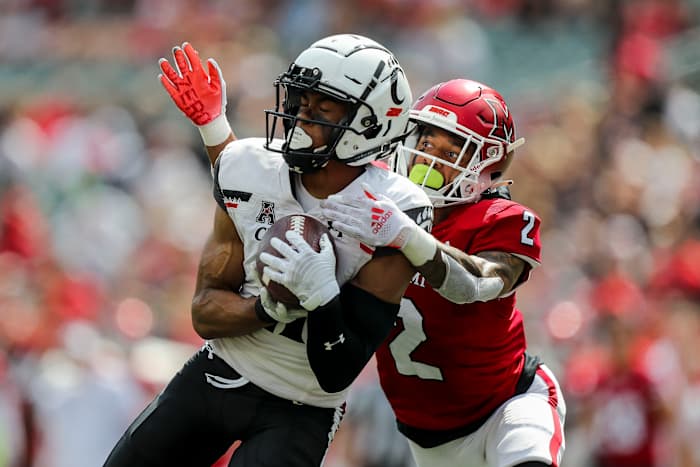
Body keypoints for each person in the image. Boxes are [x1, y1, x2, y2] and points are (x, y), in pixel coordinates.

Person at [103, 34, 433, 467]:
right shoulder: (248, 168)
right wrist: (268, 309)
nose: (299, 118)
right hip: (219, 371)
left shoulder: (395, 212)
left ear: (369, 124)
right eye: (299, 102)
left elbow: (339, 368)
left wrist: (321, 296)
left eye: (321, 109)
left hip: (302, 405)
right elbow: (205, 313)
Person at [321, 78, 566, 467]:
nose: (430, 160)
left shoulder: (498, 219)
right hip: (429, 438)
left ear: (488, 164)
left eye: (452, 151)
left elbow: (477, 283)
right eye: (426, 145)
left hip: (509, 404)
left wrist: (407, 236)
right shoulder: (376, 201)